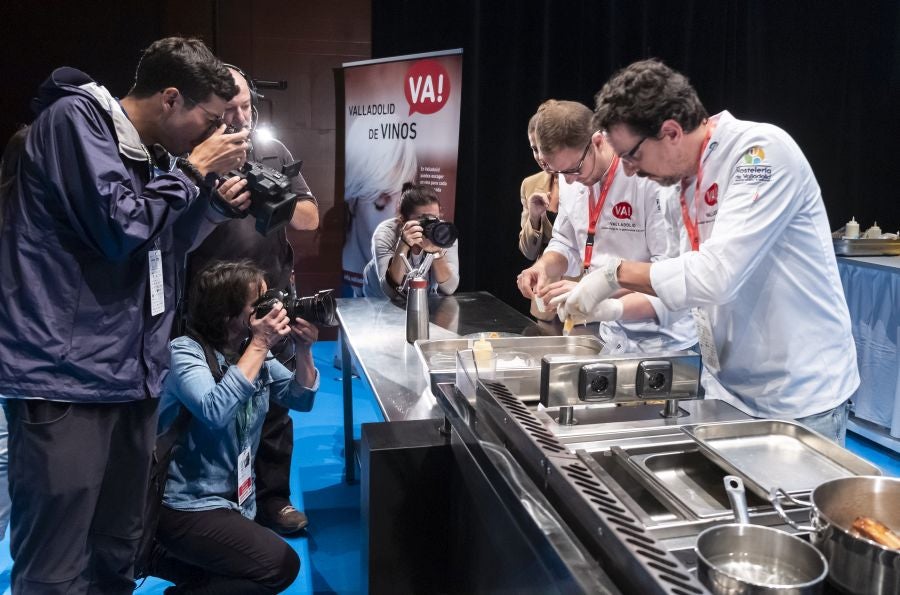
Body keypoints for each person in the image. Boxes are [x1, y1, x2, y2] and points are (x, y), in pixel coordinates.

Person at [0, 37, 249, 592]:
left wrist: (212, 203)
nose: (210, 134)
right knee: (56, 559)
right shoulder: (75, 120)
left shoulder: (153, 154)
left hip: (132, 376)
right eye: (207, 119)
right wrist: (190, 172)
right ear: (169, 99)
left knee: (118, 543)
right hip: (66, 379)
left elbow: (163, 244)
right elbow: (119, 229)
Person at [565, 58, 858, 442]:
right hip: (726, 388)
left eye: (632, 155)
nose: (630, 170)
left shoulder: (760, 153)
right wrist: (613, 307)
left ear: (670, 132)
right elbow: (680, 283)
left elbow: (718, 276)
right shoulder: (675, 187)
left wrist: (613, 274)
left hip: (799, 398)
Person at [184, 64, 319, 535]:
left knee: (275, 406)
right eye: (230, 108)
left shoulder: (271, 149)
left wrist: (269, 196)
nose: (241, 117)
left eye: (247, 106)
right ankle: (207, 504)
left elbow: (309, 220)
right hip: (210, 305)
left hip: (271, 292)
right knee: (213, 408)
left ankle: (274, 499)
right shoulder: (191, 155)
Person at [151, 260, 318, 594]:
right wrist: (260, 344)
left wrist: (303, 350)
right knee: (280, 567)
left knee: (251, 576)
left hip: (236, 503)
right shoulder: (185, 353)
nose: (271, 311)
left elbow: (300, 398)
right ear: (226, 314)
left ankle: (189, 578)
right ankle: (165, 557)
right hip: (185, 506)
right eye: (259, 305)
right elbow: (214, 410)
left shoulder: (251, 351)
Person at [517, 100, 695, 354]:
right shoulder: (570, 176)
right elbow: (565, 242)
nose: (568, 180)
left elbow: (666, 271)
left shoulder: (647, 179)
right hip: (609, 332)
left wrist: (596, 289)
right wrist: (542, 266)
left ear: (598, 141)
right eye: (559, 172)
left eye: (574, 169)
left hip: (663, 339)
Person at [342, 117, 418, 296]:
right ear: (353, 201)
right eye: (383, 198)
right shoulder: (343, 291)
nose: (398, 213)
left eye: (405, 195)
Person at [362, 182, 459, 299]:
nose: (431, 226)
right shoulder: (386, 233)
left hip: (422, 298)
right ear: (402, 220)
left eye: (435, 219)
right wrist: (403, 244)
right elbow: (390, 291)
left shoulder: (443, 233)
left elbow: (450, 288)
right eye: (423, 220)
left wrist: (436, 252)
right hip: (379, 299)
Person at [519, 111, 560, 321]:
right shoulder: (530, 184)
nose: (540, 157)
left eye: (544, 148)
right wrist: (534, 218)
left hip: (581, 301)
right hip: (543, 299)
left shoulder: (585, 181)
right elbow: (527, 252)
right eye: (535, 149)